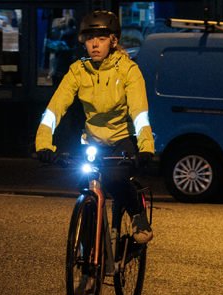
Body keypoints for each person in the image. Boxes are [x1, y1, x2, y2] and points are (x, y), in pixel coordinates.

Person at [35, 11, 155, 244]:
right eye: (89, 38)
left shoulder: (129, 71)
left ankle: (138, 216)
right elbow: (54, 110)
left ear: (114, 41)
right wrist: (43, 143)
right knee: (85, 187)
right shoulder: (78, 71)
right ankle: (88, 262)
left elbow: (139, 114)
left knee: (116, 179)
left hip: (122, 139)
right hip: (91, 141)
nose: (94, 44)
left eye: (101, 38)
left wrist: (146, 146)